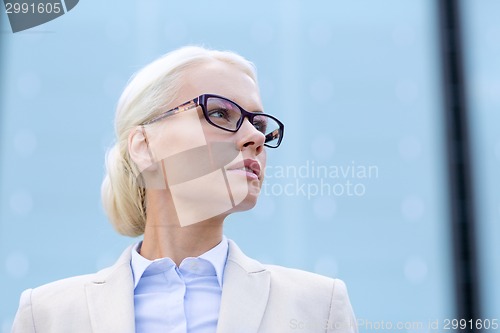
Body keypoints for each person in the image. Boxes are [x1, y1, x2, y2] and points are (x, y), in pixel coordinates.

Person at [12, 46, 357, 333]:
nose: (254, 137)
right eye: (220, 113)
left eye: (260, 124)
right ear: (144, 145)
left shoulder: (319, 308)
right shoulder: (46, 316)